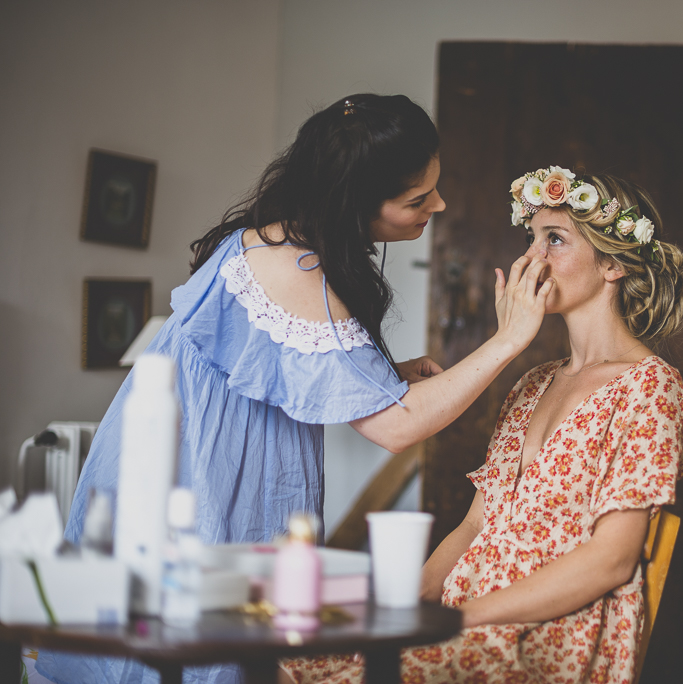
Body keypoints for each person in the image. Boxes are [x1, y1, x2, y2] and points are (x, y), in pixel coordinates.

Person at [35, 95, 553, 684]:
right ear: (355, 203)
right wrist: (510, 339)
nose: (439, 204)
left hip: (196, 456)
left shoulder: (287, 243)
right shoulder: (295, 267)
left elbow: (279, 368)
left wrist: (376, 376)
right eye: (416, 199)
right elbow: (397, 425)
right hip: (198, 474)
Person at [282, 166, 683, 684]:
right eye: (531, 239)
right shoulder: (533, 383)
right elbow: (477, 525)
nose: (531, 258)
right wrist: (404, 607)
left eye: (556, 240)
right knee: (294, 660)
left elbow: (611, 562)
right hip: (463, 610)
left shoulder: (650, 388)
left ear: (612, 263)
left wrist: (458, 619)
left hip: (550, 631)